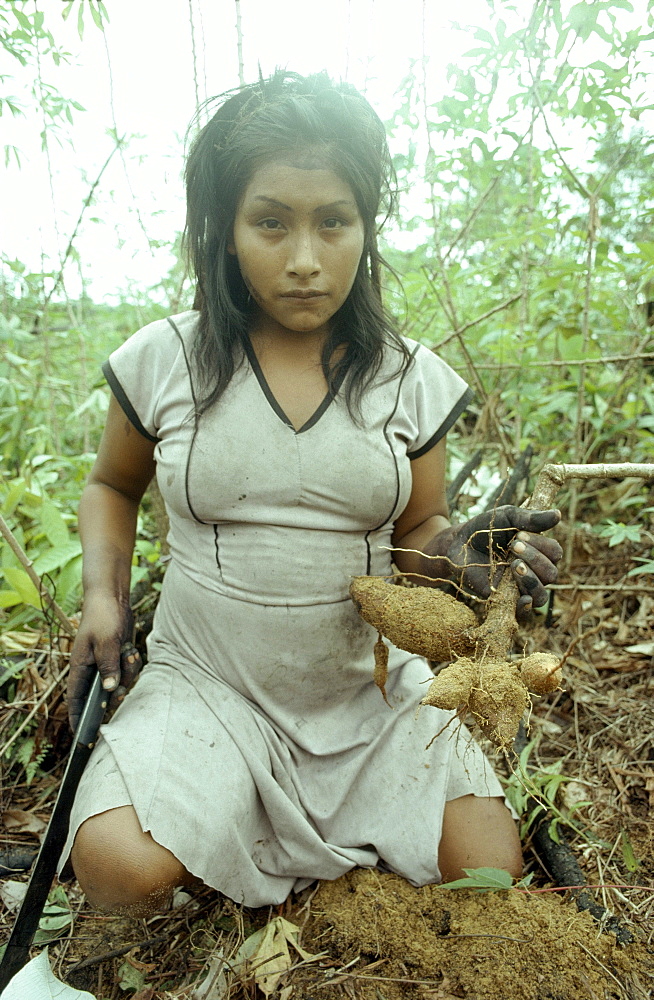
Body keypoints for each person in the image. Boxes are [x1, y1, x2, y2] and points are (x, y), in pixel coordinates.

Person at [62, 71, 562, 915]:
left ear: (365, 227)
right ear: (225, 231)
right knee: (118, 869)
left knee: (488, 866)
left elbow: (422, 531)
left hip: (362, 696)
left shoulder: (406, 379)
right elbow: (112, 485)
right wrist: (101, 599)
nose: (304, 258)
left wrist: (467, 558)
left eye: (333, 221)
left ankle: (278, 848)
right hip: (209, 684)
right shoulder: (168, 361)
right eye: (270, 223)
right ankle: (225, 815)